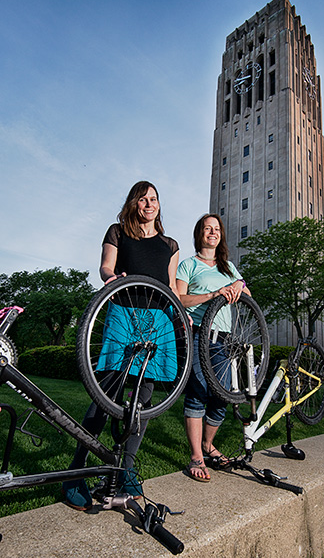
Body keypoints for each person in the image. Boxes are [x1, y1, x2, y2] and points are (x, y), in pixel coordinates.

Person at [63, 180, 179, 510]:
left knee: (142, 401)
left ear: (159, 205)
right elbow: (106, 267)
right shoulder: (117, 232)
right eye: (143, 199)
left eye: (154, 199)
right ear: (133, 203)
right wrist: (110, 278)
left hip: (157, 323)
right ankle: (76, 470)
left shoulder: (170, 244)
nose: (149, 204)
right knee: (106, 396)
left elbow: (170, 287)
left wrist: (179, 315)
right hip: (122, 313)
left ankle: (125, 468)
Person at [176, 213, 250, 482]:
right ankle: (196, 455)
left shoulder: (228, 266)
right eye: (207, 228)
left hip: (224, 340)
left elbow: (247, 292)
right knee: (199, 392)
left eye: (216, 229)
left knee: (222, 395)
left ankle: (209, 446)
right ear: (200, 234)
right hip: (197, 335)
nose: (212, 232)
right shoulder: (188, 265)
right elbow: (179, 299)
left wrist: (235, 285)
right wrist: (212, 295)